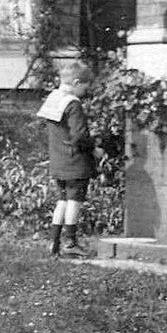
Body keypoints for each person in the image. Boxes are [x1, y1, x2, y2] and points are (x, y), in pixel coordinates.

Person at [37, 60, 99, 257]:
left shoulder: (53, 98)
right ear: (77, 82)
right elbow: (79, 135)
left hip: (58, 160)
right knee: (75, 201)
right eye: (86, 86)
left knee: (62, 200)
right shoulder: (72, 103)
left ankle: (54, 242)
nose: (86, 90)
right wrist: (94, 149)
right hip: (75, 162)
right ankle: (70, 243)